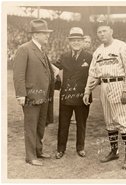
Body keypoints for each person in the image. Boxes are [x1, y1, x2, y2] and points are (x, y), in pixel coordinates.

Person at [83, 21, 126, 169]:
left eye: (104, 31)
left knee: (123, 120)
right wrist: (87, 90)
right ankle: (114, 151)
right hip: (105, 87)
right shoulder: (98, 51)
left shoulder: (121, 46)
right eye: (99, 32)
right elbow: (92, 74)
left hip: (119, 84)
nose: (102, 34)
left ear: (111, 31)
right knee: (110, 121)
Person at [13, 19, 55, 166]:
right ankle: (30, 156)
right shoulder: (24, 49)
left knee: (40, 125)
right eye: (45, 34)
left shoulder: (40, 49)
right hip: (31, 96)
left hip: (43, 96)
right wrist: (21, 95)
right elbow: (18, 74)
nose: (47, 36)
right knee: (31, 126)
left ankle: (38, 150)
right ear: (36, 34)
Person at [53, 27, 92, 159]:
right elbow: (54, 68)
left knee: (81, 124)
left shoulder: (89, 57)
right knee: (63, 124)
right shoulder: (64, 56)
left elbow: (94, 75)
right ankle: (60, 149)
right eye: (73, 40)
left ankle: (80, 148)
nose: (76, 43)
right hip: (67, 96)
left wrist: (89, 91)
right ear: (69, 42)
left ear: (82, 42)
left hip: (83, 97)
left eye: (78, 40)